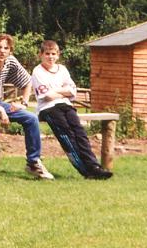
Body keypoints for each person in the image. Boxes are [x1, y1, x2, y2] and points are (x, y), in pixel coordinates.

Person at [0, 33, 54, 180]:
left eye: (6, 48)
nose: (2, 51)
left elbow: (28, 81)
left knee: (31, 118)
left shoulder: (10, 62)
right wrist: (0, 110)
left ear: (10, 51)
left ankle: (33, 163)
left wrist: (24, 104)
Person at [32, 40, 113, 179]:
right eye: (47, 54)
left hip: (66, 105)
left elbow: (73, 91)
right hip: (49, 109)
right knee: (67, 136)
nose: (50, 57)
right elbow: (48, 96)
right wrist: (63, 91)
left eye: (53, 54)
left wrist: (57, 91)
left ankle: (94, 166)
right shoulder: (38, 71)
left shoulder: (62, 69)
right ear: (41, 55)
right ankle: (85, 171)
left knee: (80, 132)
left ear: (58, 55)